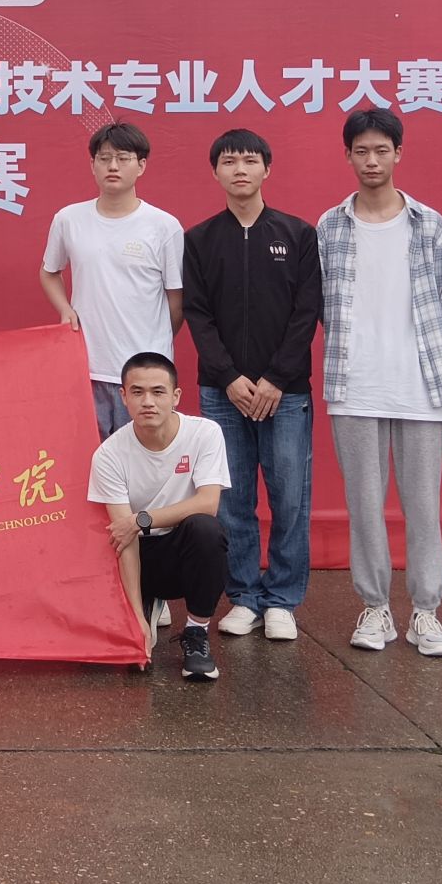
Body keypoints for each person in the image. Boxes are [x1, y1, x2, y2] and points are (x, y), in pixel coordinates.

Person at [316, 107, 442, 658]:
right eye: (361, 151)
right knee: (364, 506)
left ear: (398, 153)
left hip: (421, 386)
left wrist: (415, 355)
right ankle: (375, 607)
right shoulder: (330, 226)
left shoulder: (431, 225)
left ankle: (426, 612)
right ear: (347, 156)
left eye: (381, 150)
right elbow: (325, 303)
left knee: (423, 507)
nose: (371, 160)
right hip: (354, 386)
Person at [182, 128, 322, 643]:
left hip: (286, 393)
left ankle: (282, 599)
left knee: (290, 499)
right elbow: (197, 314)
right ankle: (243, 595)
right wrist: (229, 377)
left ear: (266, 168)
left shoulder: (297, 234)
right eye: (228, 161)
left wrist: (275, 378)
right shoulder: (199, 239)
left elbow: (307, 312)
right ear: (215, 171)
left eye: (248, 160)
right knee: (231, 499)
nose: (239, 169)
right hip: (223, 394)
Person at [87, 352, 230, 682]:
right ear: (123, 396)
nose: (148, 402)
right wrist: (135, 620)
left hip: (182, 552)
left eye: (158, 392)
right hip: (138, 555)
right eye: (137, 392)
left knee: (206, 529)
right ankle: (144, 606)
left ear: (176, 396)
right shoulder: (108, 454)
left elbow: (208, 503)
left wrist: (142, 519)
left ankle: (196, 633)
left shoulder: (205, 433)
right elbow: (124, 539)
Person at [40, 123, 186, 439]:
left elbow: (177, 302)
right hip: (86, 368)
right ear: (92, 165)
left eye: (123, 158)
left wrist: (154, 341)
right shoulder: (69, 219)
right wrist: (65, 309)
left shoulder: (163, 226)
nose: (113, 166)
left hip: (143, 375)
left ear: (141, 165)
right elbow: (49, 272)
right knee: (88, 458)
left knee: (144, 458)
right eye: (104, 158)